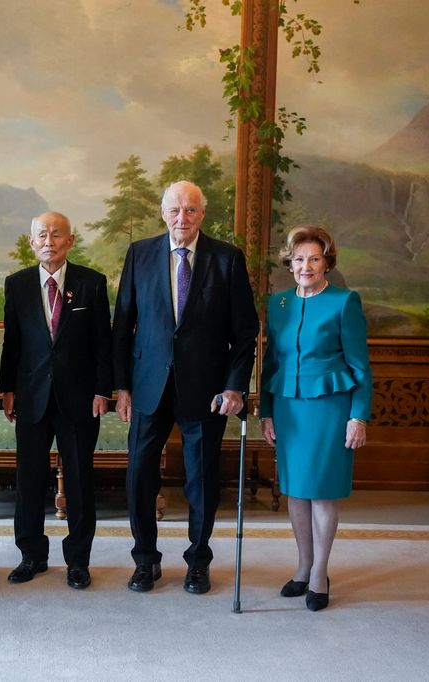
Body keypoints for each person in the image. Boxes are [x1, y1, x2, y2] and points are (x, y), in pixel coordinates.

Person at [112, 180, 258, 595]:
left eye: (191, 210)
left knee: (201, 478)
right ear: (163, 213)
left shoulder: (227, 258)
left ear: (202, 214)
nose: (182, 218)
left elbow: (245, 332)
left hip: (206, 390)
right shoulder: (140, 254)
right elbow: (123, 323)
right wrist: (121, 386)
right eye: (175, 210)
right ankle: (145, 561)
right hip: (147, 386)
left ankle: (198, 561)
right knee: (140, 475)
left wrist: (234, 387)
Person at [260, 225, 372, 612]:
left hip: (330, 409)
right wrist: (267, 412)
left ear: (326, 263)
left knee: (322, 492)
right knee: (296, 491)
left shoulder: (344, 302)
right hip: (289, 409)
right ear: (289, 264)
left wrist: (359, 416)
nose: (306, 266)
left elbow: (360, 366)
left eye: (314, 258)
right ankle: (303, 567)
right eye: (299, 259)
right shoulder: (279, 304)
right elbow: (271, 361)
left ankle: (321, 573)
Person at [0, 211, 112, 589]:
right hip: (31, 397)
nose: (49, 241)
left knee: (79, 481)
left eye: (56, 234)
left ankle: (78, 560)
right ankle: (31, 555)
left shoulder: (92, 283)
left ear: (70, 240)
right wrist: (7, 390)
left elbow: (102, 344)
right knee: (29, 480)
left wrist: (102, 390)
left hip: (80, 399)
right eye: (41, 235)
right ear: (32, 242)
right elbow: (12, 343)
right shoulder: (16, 285)